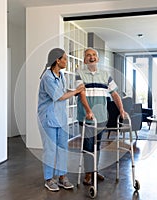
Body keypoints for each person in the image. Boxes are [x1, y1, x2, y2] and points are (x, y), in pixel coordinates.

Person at [76, 47, 125, 185]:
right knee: (88, 146)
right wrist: (88, 110)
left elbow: (115, 94)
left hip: (102, 118)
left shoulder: (105, 75)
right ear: (85, 59)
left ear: (97, 58)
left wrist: (121, 109)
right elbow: (81, 94)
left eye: (93, 55)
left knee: (97, 147)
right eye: (88, 55)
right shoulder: (79, 74)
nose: (91, 57)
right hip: (86, 119)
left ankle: (95, 171)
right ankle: (88, 174)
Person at [37, 48, 85, 192]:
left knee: (63, 148)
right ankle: (48, 179)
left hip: (61, 118)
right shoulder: (47, 77)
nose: (66, 61)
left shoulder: (61, 75)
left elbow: (64, 91)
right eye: (64, 58)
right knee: (50, 149)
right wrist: (76, 91)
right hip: (48, 118)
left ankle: (62, 176)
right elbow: (59, 96)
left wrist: (74, 90)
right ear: (57, 60)